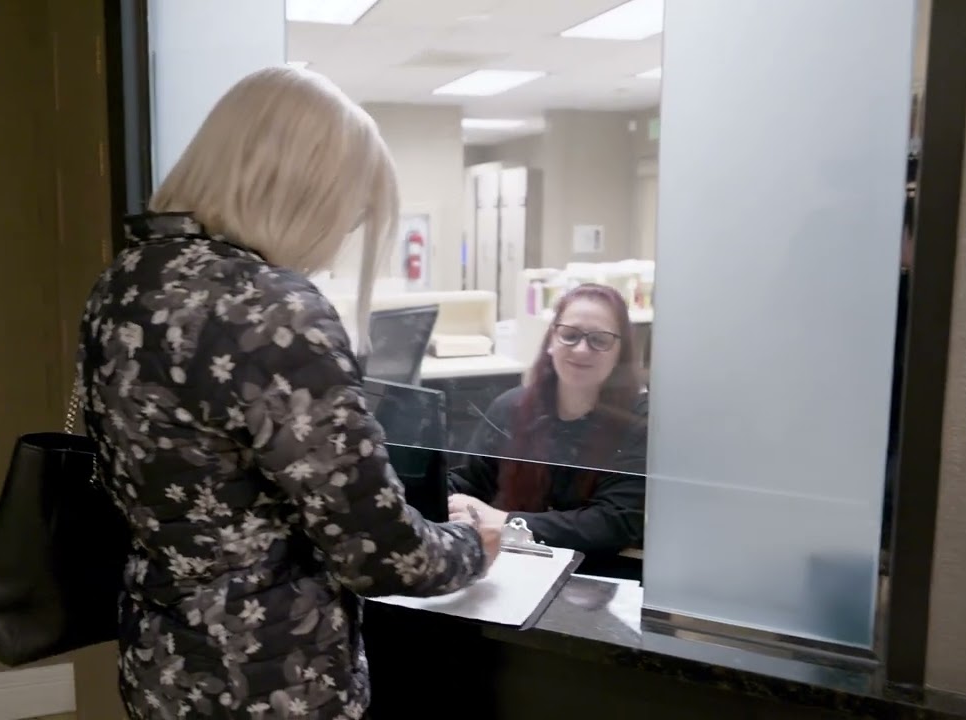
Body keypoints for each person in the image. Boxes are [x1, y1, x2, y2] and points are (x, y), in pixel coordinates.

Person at [76, 67, 502, 719]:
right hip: (271, 680)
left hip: (161, 660)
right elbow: (383, 556)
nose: (336, 244)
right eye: (348, 217)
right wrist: (475, 543)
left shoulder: (128, 281)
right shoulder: (273, 312)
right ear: (304, 194)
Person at [449, 283, 648, 579]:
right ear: (552, 340)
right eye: (570, 335)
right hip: (509, 569)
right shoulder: (511, 406)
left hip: (596, 578)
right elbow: (468, 482)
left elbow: (613, 523)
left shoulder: (641, 420)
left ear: (620, 352)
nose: (582, 349)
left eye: (600, 340)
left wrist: (507, 524)